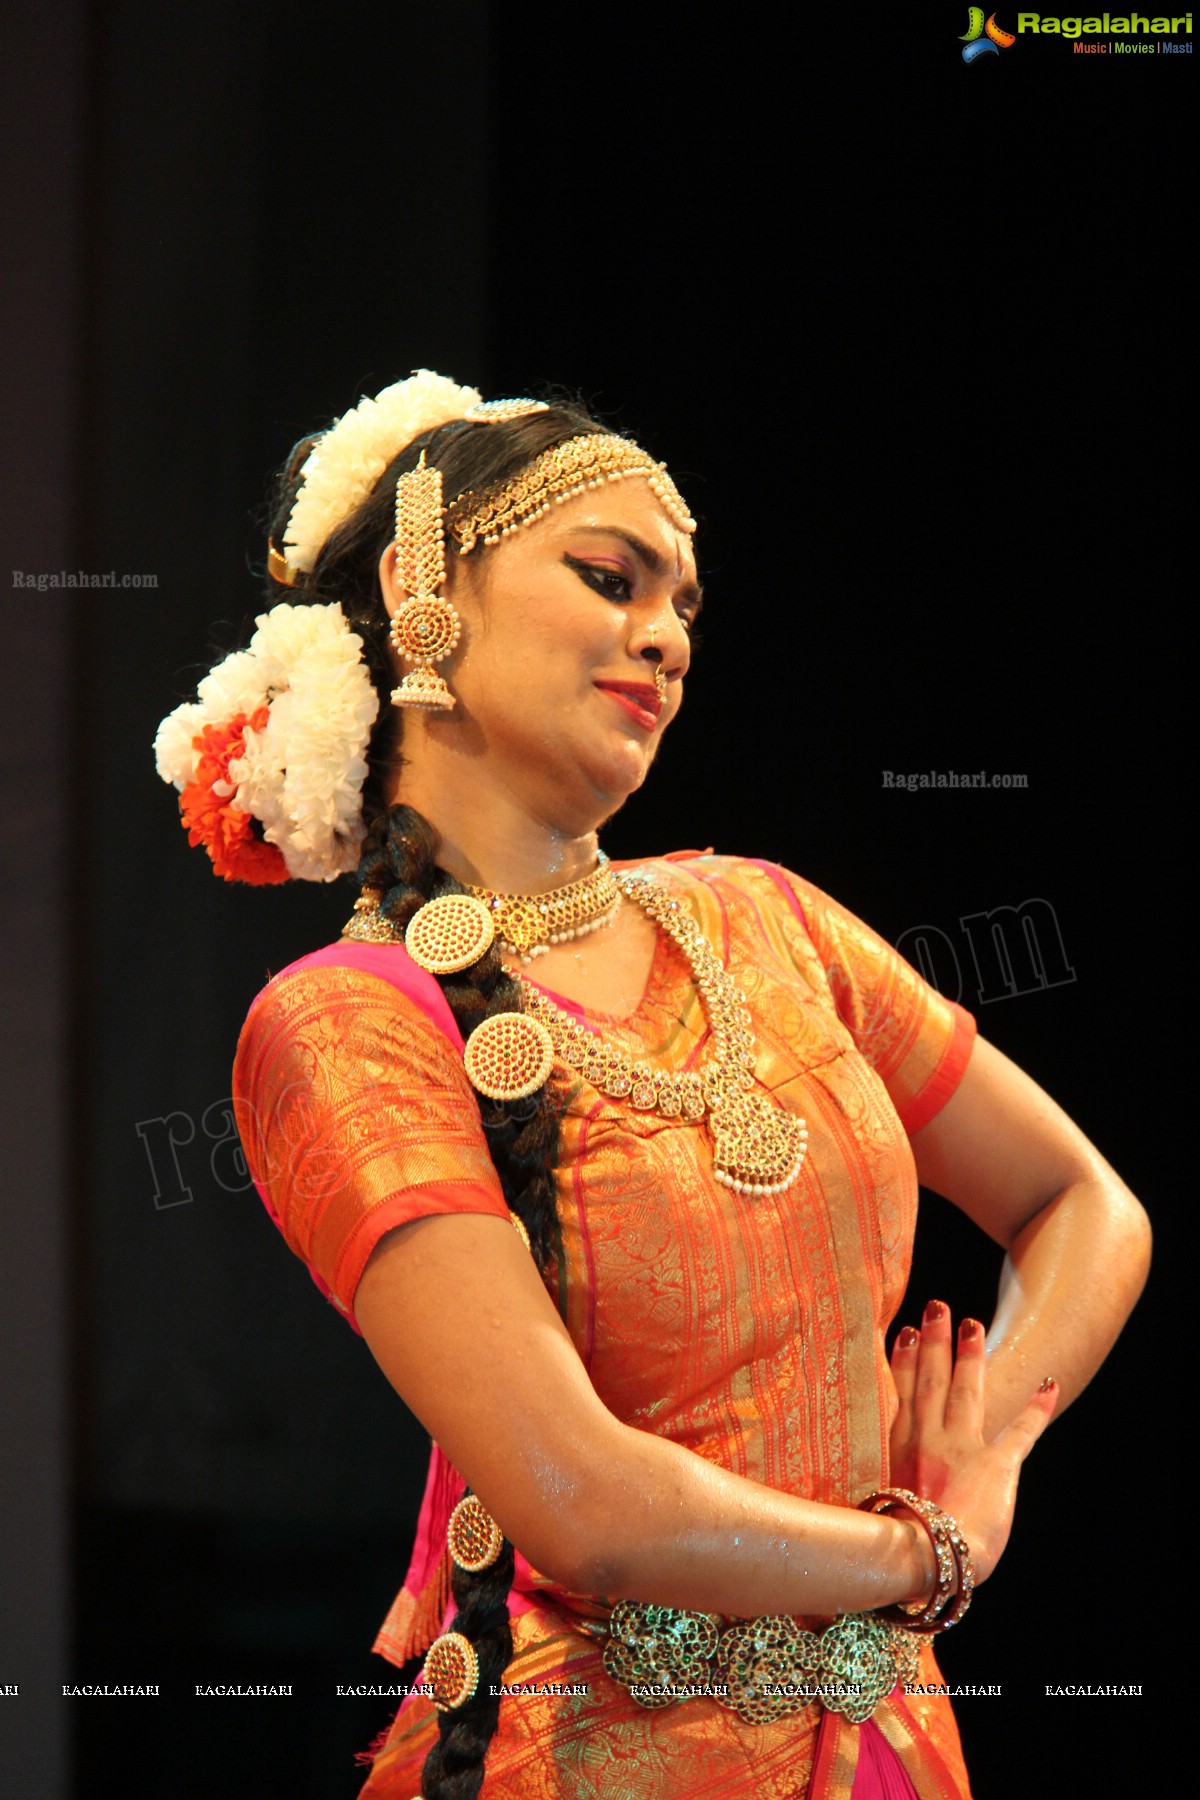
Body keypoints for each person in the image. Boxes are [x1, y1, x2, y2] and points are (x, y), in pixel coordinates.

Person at [155, 371, 1150, 1800]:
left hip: (887, 1741)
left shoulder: (768, 917)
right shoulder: (344, 1026)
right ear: (419, 585)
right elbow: (582, 1504)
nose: (666, 639)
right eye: (612, 579)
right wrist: (927, 1551)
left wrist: (989, 1446)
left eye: (684, 607)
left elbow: (1081, 1202)